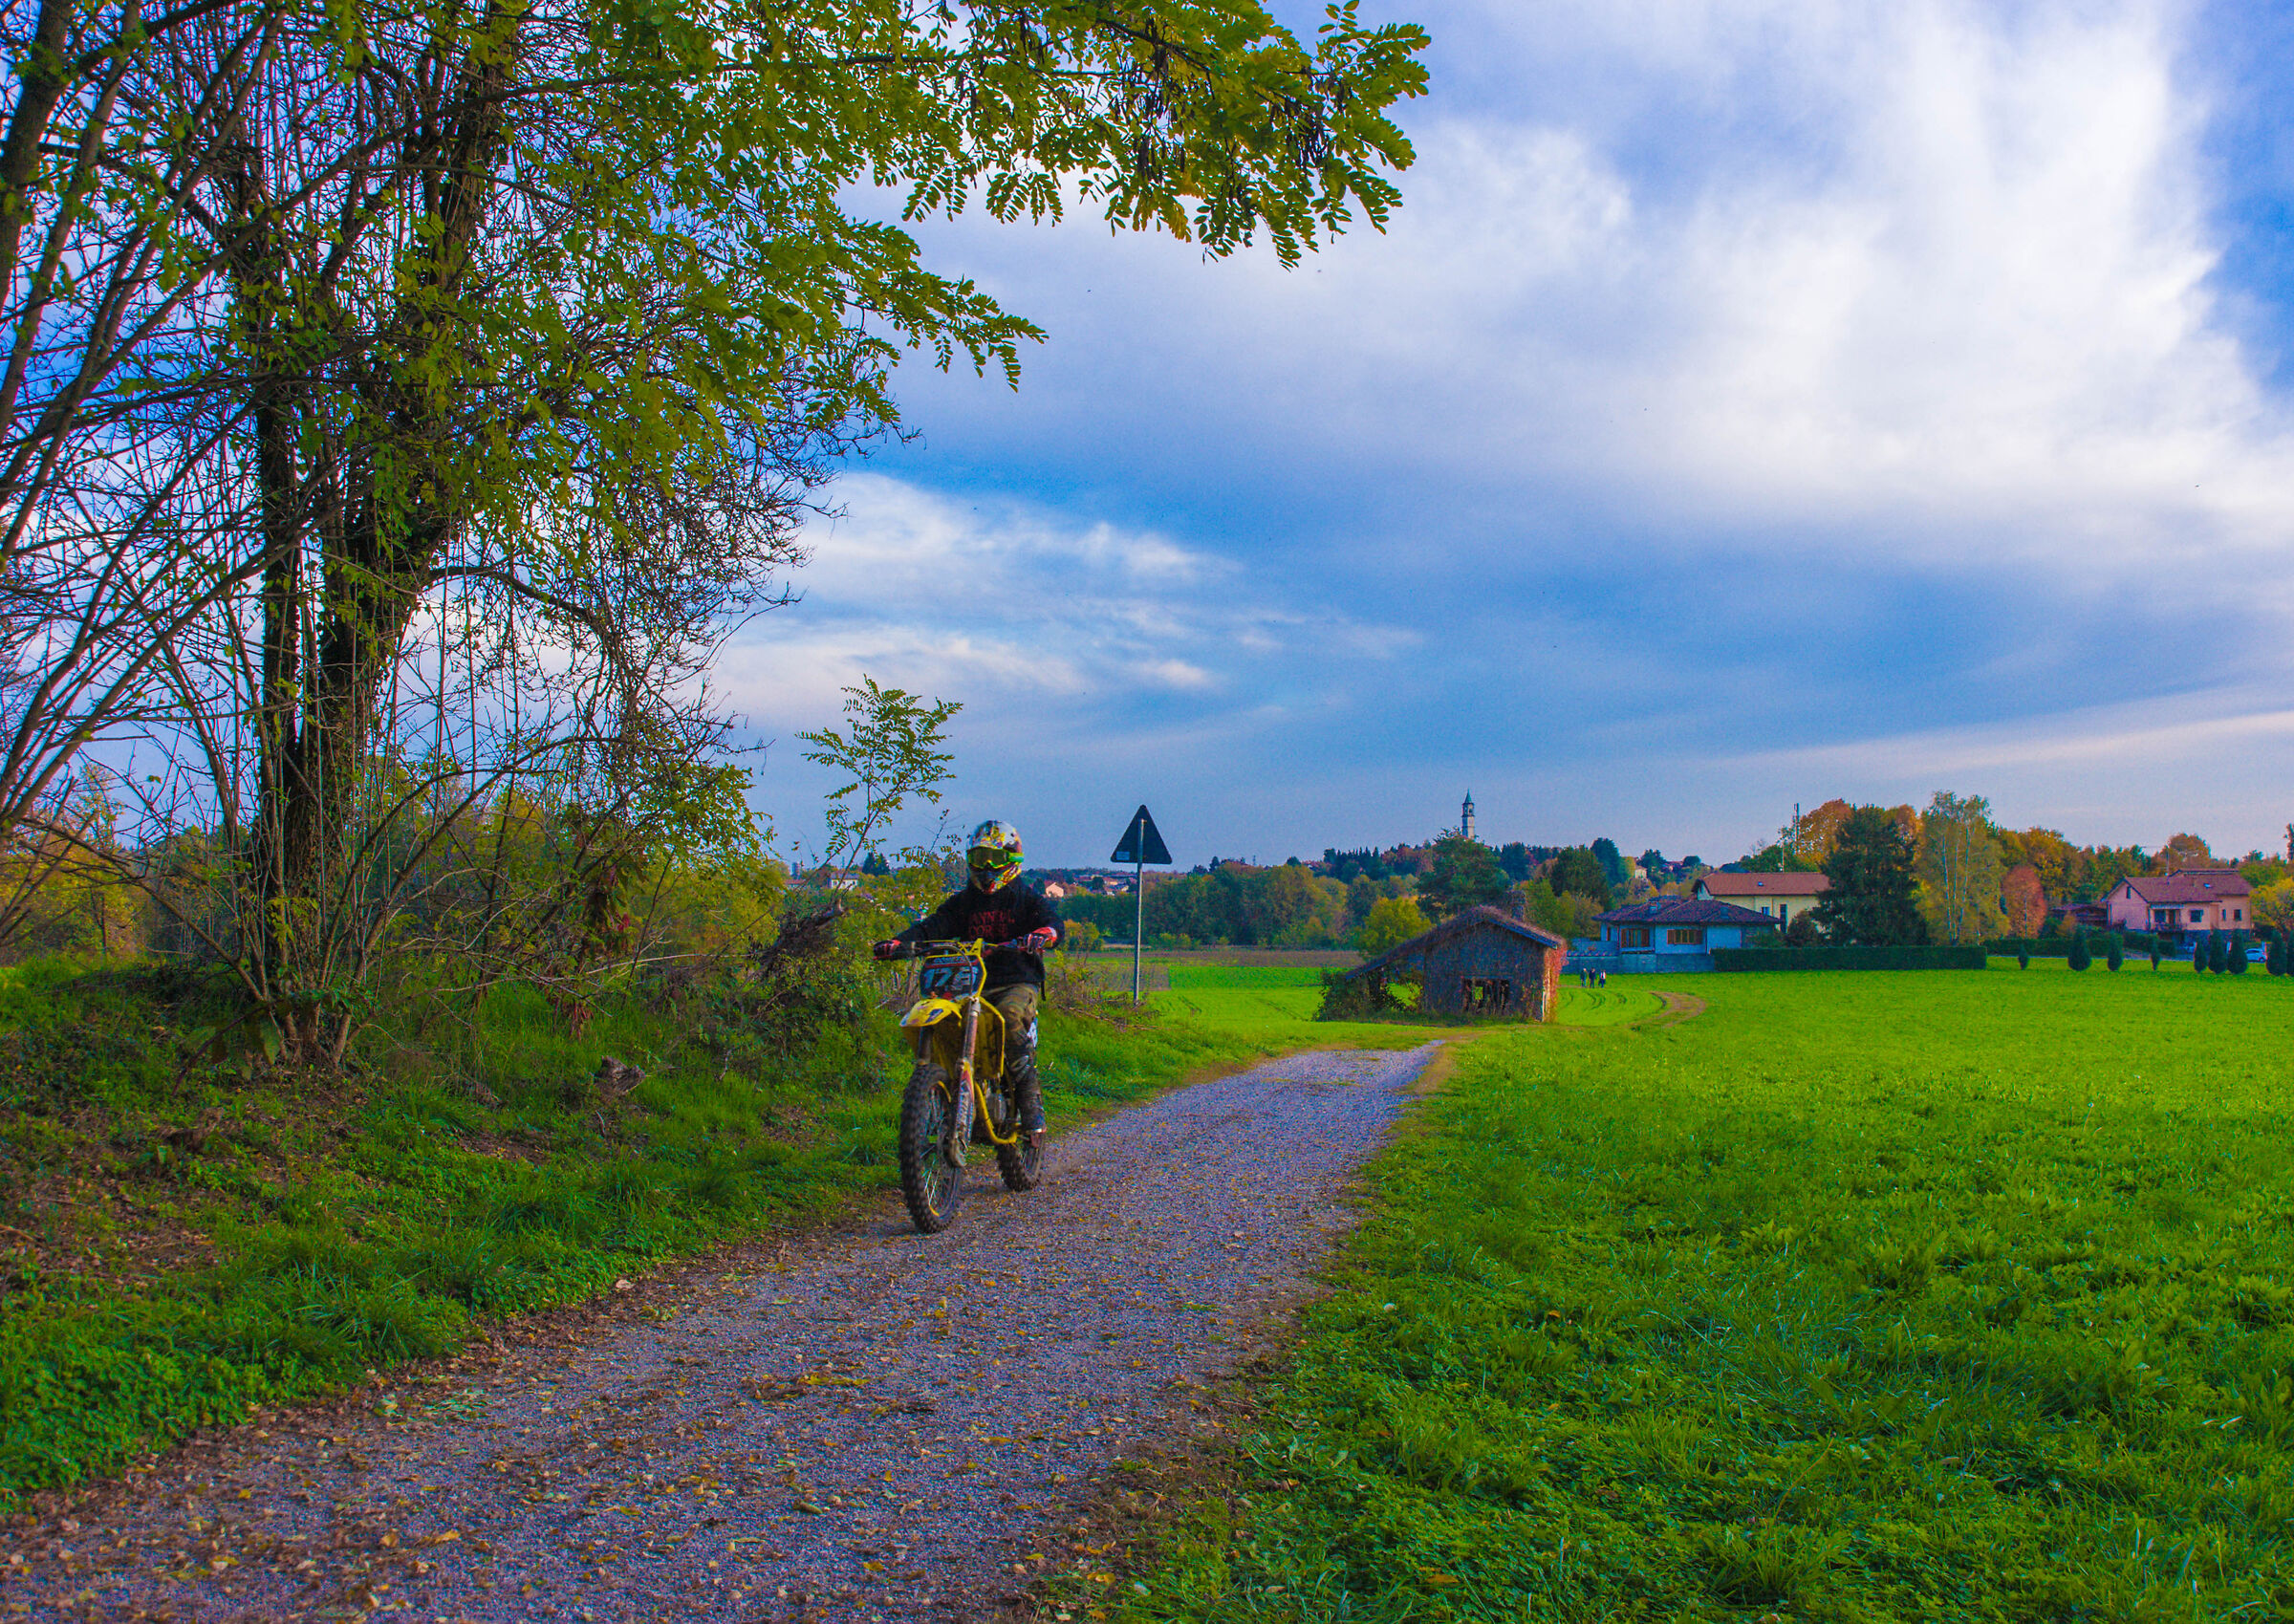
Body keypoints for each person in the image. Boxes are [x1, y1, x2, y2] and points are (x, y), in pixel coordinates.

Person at [873, 820, 1062, 1145]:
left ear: (1011, 860)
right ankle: (944, 1089)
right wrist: (897, 943)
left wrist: (1045, 934)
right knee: (945, 1021)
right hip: (969, 982)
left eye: (994, 858)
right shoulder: (964, 902)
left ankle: (1032, 1108)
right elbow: (932, 926)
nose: (986, 867)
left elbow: (1052, 922)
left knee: (1010, 1017)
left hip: (1016, 980)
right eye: (978, 858)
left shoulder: (1027, 899)